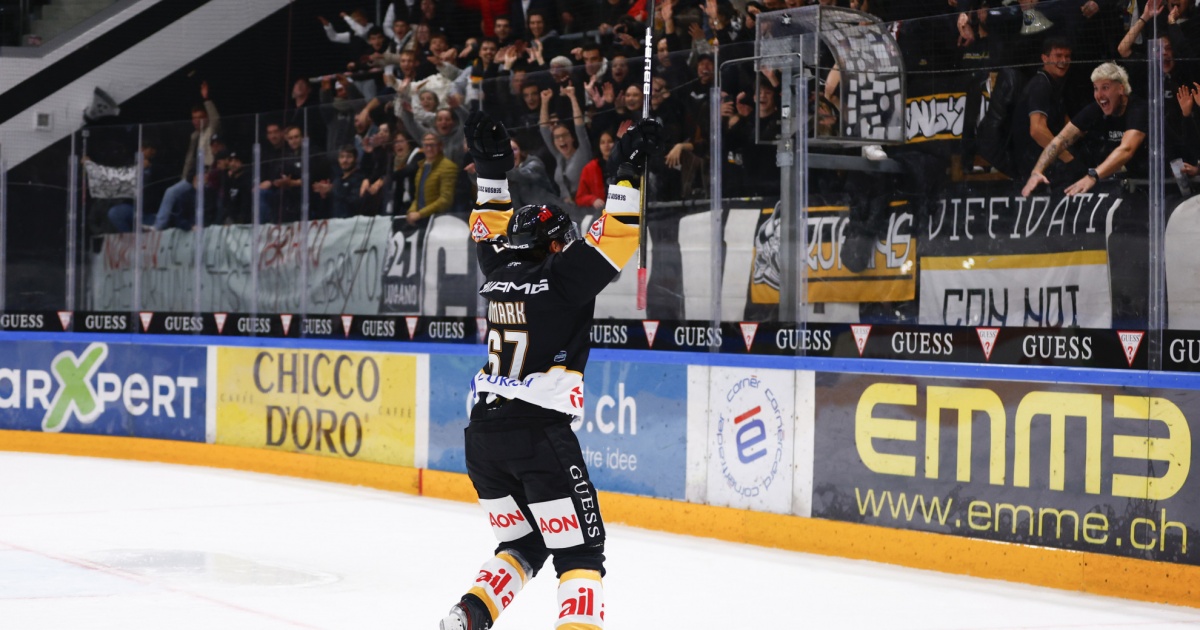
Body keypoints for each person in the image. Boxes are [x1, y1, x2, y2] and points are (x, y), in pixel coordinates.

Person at [438, 109, 660, 630]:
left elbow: (488, 231)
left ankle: (468, 615)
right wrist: (627, 172)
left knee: (523, 543)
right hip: (538, 435)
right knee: (581, 553)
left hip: (483, 439)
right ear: (558, 244)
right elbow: (617, 238)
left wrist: (490, 171)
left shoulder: (497, 272)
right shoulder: (562, 276)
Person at [1021, 62, 1148, 198]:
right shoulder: (1096, 109)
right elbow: (1060, 140)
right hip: (1131, 183)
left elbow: (1126, 149)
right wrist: (1037, 171)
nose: (1099, 95)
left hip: (1158, 182)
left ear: (1121, 89)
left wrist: (1092, 176)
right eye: (1096, 88)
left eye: (1105, 88)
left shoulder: (1138, 109)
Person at [407, 133, 458, 225]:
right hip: (422, 219)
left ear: (440, 146)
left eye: (432, 145)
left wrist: (420, 214)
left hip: (440, 220)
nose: (429, 148)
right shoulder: (422, 167)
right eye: (426, 145)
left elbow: (445, 200)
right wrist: (411, 211)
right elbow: (418, 197)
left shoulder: (448, 167)